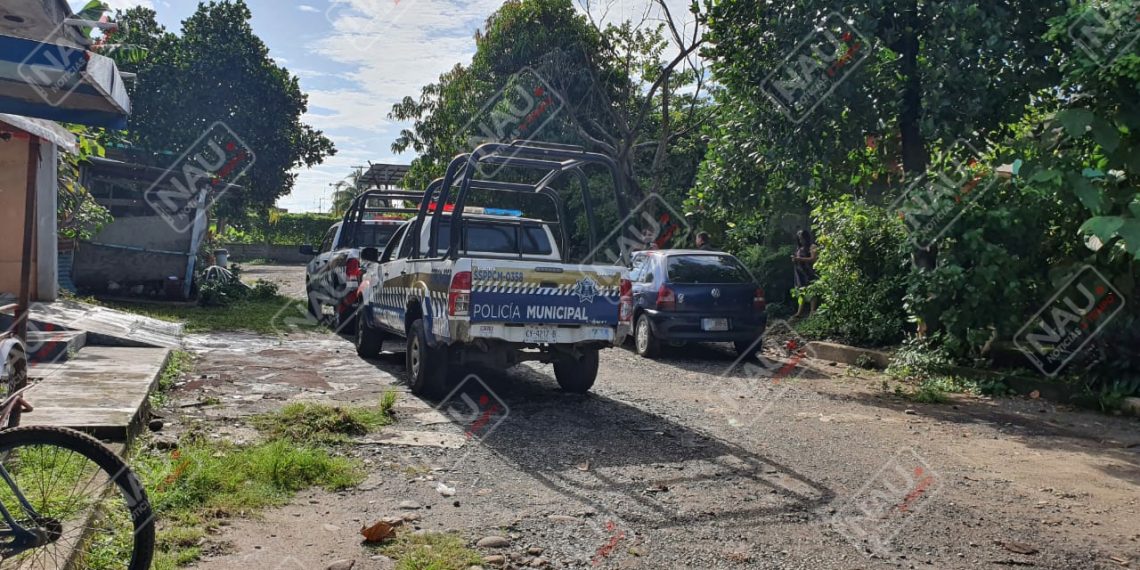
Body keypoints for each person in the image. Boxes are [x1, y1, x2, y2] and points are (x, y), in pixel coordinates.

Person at [791, 228, 819, 318]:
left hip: (809, 272)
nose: (801, 240)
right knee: (801, 291)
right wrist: (794, 259)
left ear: (806, 238)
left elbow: (813, 259)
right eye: (799, 239)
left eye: (802, 238)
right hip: (799, 273)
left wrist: (799, 259)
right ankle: (799, 312)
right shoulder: (799, 248)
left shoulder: (812, 246)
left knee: (812, 291)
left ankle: (812, 311)